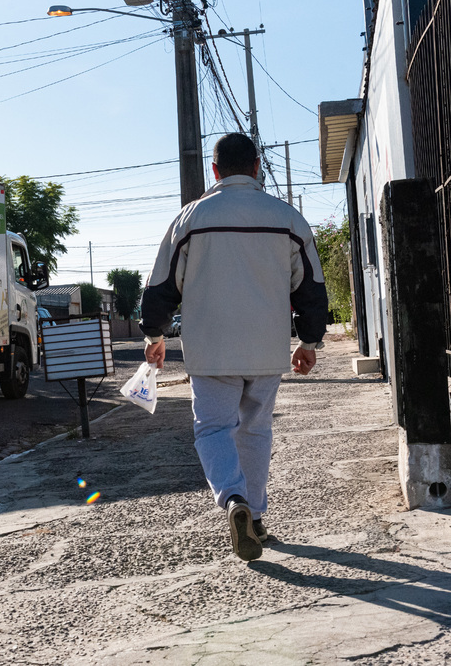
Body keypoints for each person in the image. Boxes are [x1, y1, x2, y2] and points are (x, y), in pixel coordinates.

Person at [139, 133, 328, 562]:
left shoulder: (190, 219)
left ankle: (233, 500)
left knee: (212, 428)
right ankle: (256, 518)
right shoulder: (288, 218)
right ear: (258, 167)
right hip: (267, 348)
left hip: (210, 349)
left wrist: (154, 337)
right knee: (256, 429)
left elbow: (162, 285)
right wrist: (309, 341)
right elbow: (311, 287)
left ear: (215, 170)